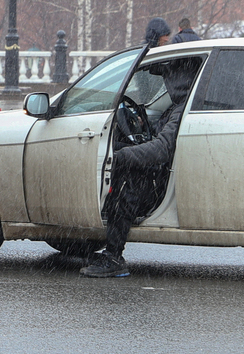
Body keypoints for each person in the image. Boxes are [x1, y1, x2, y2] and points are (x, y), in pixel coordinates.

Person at [80, 58, 199, 278]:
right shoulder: (179, 106)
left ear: (179, 79)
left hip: (159, 182)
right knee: (119, 154)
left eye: (168, 77)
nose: (167, 83)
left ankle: (114, 255)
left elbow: (163, 148)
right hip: (163, 175)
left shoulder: (183, 108)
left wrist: (119, 156)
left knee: (129, 179)